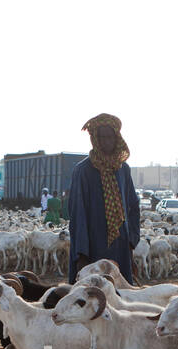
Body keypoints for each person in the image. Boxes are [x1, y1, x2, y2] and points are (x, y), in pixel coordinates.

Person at [67, 113, 140, 283]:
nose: (107, 141)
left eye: (110, 137)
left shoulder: (123, 170)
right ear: (95, 139)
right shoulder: (83, 170)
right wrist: (81, 253)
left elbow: (133, 206)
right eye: (102, 137)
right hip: (92, 245)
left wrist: (131, 241)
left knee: (120, 297)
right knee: (92, 297)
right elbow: (78, 214)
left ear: (117, 138)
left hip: (120, 245)